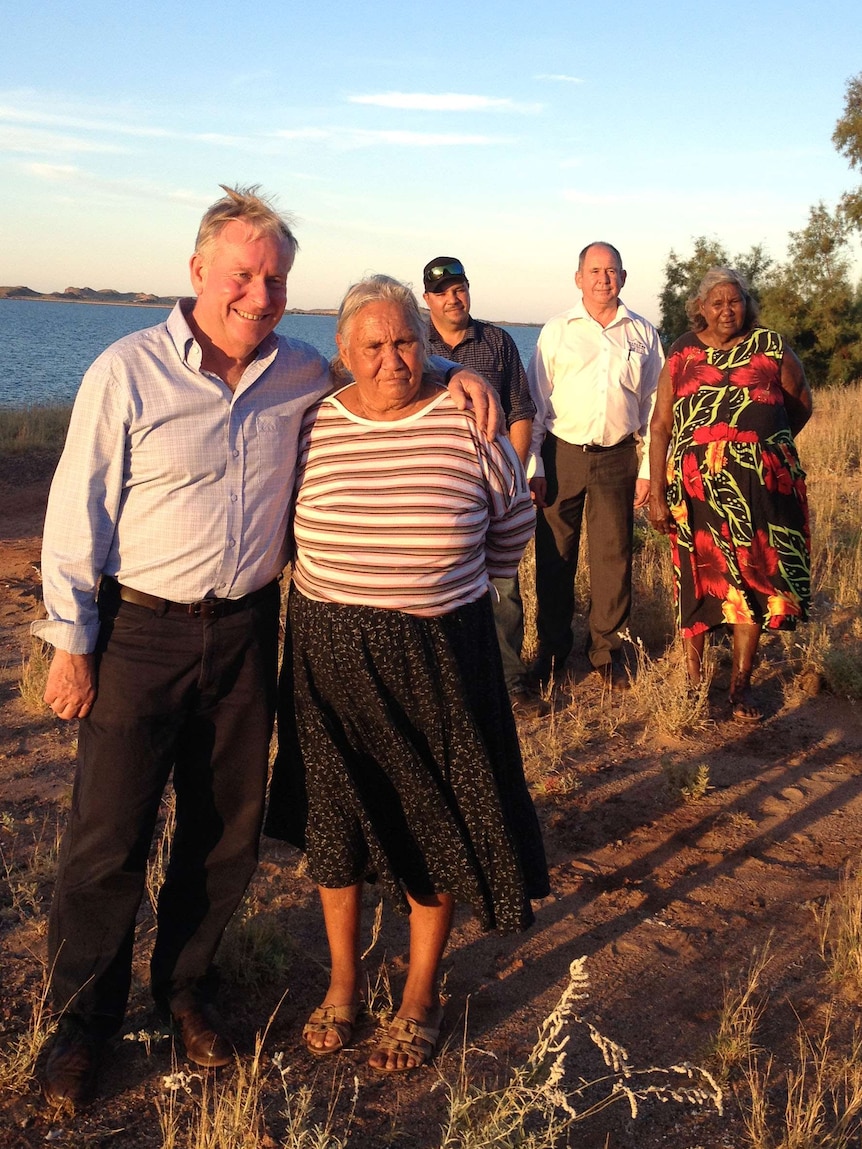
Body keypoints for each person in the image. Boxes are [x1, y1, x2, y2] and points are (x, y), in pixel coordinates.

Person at [33, 187, 499, 1108]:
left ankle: (186, 994)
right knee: (107, 840)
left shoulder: (298, 372)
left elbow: (385, 367)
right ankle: (81, 1024)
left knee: (221, 833)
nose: (259, 292)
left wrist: (456, 371)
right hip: (138, 631)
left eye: (275, 278)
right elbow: (74, 511)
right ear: (199, 269)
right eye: (243, 273)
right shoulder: (125, 372)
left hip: (249, 632)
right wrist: (71, 641)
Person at [264, 275, 550, 1074]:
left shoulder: (466, 414)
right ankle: (344, 985)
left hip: (438, 655)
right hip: (327, 653)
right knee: (339, 828)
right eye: (374, 345)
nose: (393, 359)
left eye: (405, 343)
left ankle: (420, 993)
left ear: (424, 344)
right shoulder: (312, 420)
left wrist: (435, 588)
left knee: (437, 822)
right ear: (342, 355)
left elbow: (509, 530)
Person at [647, 266, 812, 721]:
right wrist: (657, 491)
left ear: (747, 305)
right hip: (695, 490)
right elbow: (661, 424)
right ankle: (693, 685)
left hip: (759, 490)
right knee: (698, 580)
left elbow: (800, 407)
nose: (726, 310)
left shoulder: (771, 347)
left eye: (734, 301)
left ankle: (741, 689)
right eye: (716, 302)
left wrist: (761, 449)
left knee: (753, 582)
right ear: (701, 307)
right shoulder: (682, 350)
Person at [527, 242, 664, 689]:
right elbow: (535, 401)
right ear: (579, 278)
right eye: (595, 270)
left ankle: (607, 652)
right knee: (554, 556)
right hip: (562, 454)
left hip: (619, 456)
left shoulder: (642, 333)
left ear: (623, 278)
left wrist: (647, 470)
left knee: (614, 557)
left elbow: (654, 404)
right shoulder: (557, 330)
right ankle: (552, 651)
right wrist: (536, 467)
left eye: (611, 271)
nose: (603, 278)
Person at [423, 256, 545, 717]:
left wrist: (510, 473)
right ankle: (449, 686)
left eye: (460, 288)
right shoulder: (414, 343)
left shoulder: (496, 341)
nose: (454, 297)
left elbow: (519, 409)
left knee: (504, 584)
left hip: (492, 482)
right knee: (439, 583)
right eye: (443, 291)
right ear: (428, 299)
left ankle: (511, 680)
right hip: (436, 486)